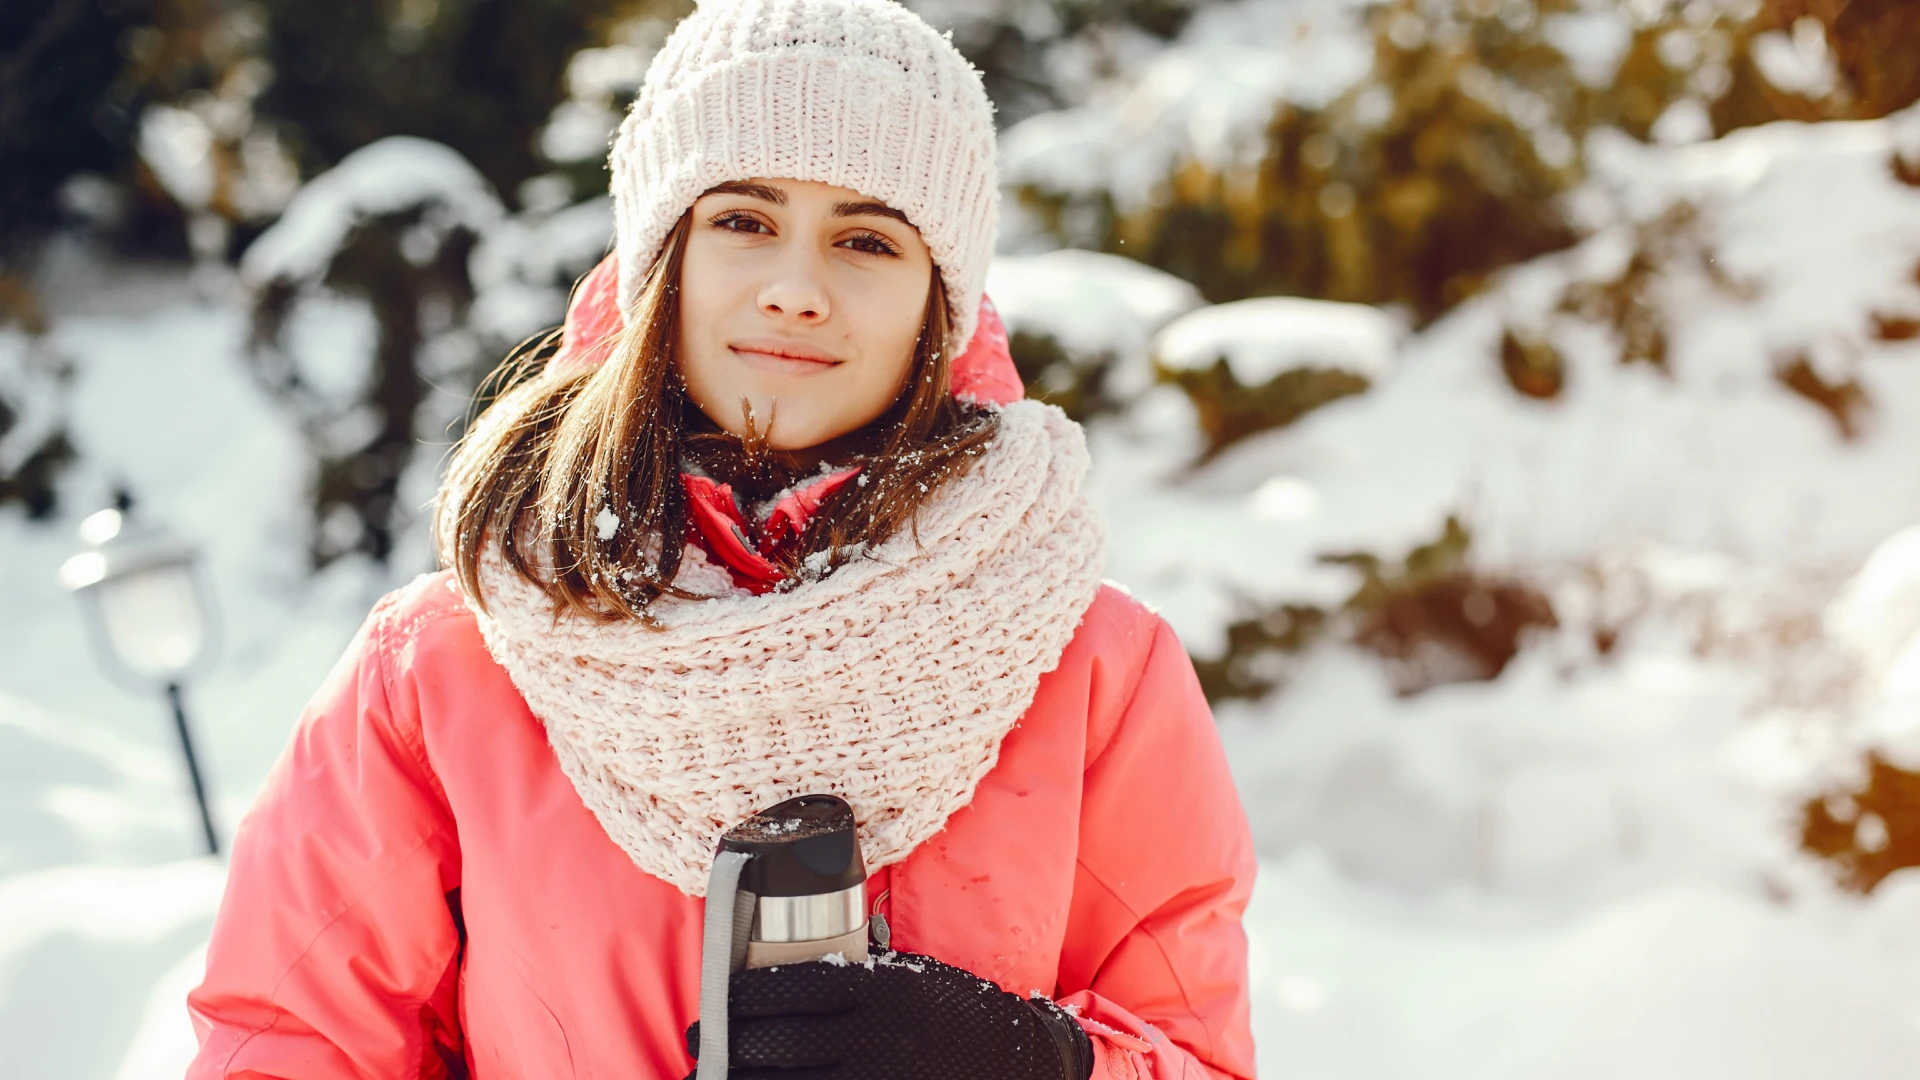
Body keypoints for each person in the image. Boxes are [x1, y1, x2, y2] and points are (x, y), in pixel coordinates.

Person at [185, 0, 1257, 1076]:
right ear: (664, 261)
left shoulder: (1092, 673)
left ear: (940, 303)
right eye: (744, 221)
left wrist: (1038, 1063)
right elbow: (288, 1048)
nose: (796, 292)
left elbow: (1195, 1051)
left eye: (868, 239)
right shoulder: (444, 674)